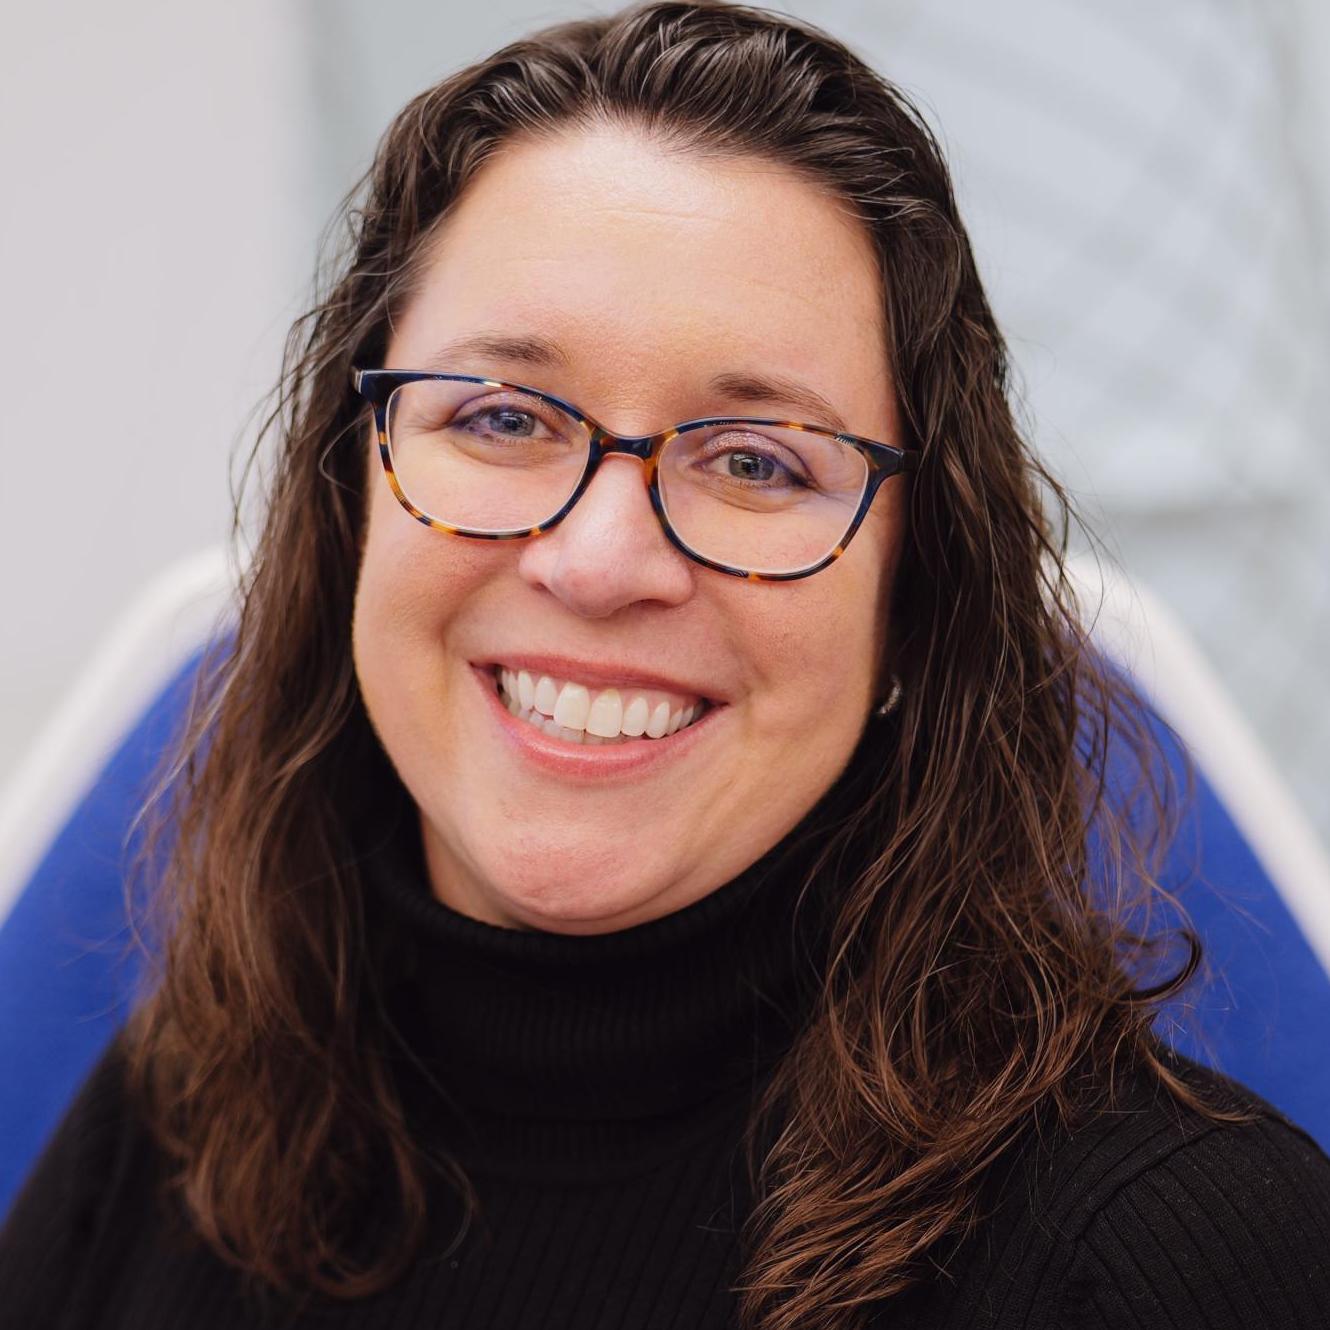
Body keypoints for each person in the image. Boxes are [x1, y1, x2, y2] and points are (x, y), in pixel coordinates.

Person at [2, 2, 1328, 1326]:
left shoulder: (1174, 1263)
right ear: (351, 498)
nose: (598, 561)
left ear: (915, 596)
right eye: (501, 417)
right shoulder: (180, 1121)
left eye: (755, 460)